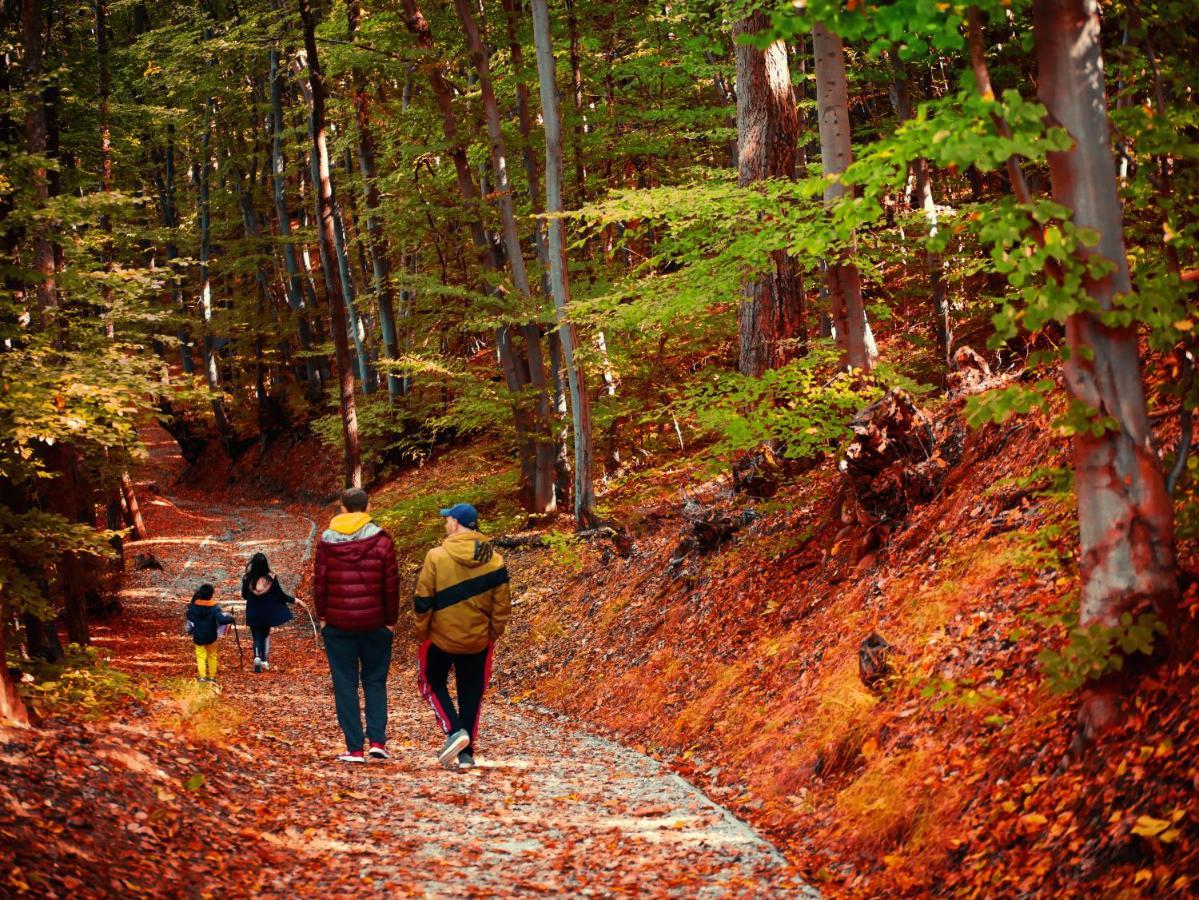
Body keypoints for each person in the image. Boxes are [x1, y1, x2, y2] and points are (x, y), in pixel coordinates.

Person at [414, 503, 511, 771]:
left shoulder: (436, 556)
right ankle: (466, 755)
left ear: (456, 523)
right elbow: (502, 607)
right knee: (471, 694)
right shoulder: (494, 560)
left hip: (440, 639)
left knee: (430, 682)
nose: (445, 524)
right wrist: (491, 634)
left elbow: (423, 600)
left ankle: (454, 730)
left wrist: (422, 632)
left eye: (447, 520)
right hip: (479, 641)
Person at [314, 487, 399, 764]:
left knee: (344, 684)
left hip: (338, 624)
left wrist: (323, 616)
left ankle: (354, 749)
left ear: (341, 507)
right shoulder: (382, 540)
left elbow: (321, 582)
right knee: (375, 681)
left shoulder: (326, 541)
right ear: (368, 506)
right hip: (375, 623)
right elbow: (391, 585)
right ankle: (377, 741)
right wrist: (390, 621)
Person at [241, 552, 295, 673]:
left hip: (252, 611)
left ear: (253, 564)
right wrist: (294, 600)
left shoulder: (247, 578)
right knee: (265, 635)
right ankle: (264, 661)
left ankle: (256, 657)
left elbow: (244, 595)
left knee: (256, 637)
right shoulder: (271, 578)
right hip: (267, 612)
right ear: (265, 564)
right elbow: (280, 595)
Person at [186, 583, 235, 689]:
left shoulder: (194, 607)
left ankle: (202, 677)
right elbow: (221, 620)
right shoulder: (214, 608)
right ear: (211, 595)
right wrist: (231, 618)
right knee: (212, 656)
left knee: (200, 656)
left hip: (198, 636)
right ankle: (212, 677)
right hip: (211, 636)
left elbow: (189, 615)